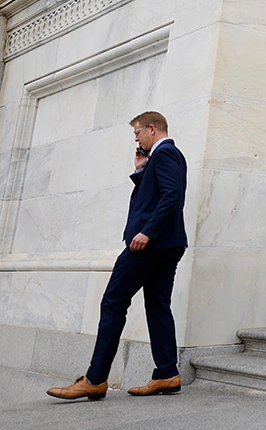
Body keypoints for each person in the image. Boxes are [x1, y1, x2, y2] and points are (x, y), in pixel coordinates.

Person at [48, 112, 188, 400]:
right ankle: (166, 374)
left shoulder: (166, 154)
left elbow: (172, 195)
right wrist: (140, 171)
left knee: (113, 301)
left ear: (152, 129)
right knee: (158, 306)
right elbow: (156, 194)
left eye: (138, 132)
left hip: (150, 245)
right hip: (165, 245)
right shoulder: (161, 157)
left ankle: (95, 378)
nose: (136, 138)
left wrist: (147, 232)